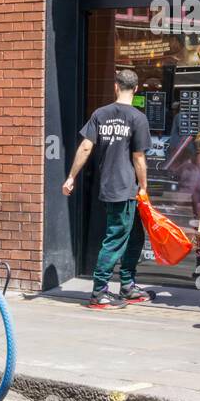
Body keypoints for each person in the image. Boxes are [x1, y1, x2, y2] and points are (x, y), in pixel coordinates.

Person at [63, 69, 153, 309]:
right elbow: (139, 157)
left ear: (116, 86)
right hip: (125, 188)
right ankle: (99, 292)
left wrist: (71, 177)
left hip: (112, 187)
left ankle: (127, 285)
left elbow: (85, 147)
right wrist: (144, 187)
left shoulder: (100, 115)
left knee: (135, 237)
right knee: (115, 238)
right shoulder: (138, 118)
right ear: (136, 89)